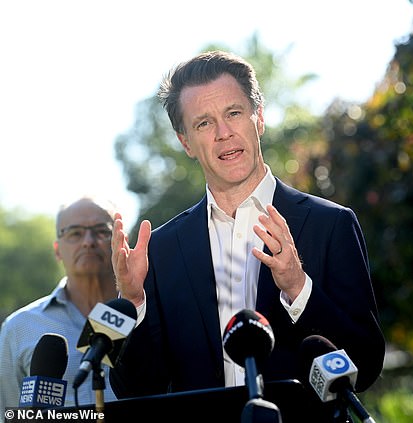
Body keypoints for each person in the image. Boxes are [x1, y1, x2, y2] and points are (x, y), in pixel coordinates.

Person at [109, 50, 385, 418]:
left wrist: (298, 287)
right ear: (186, 142)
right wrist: (133, 302)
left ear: (260, 118)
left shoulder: (330, 225)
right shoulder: (160, 250)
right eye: (204, 123)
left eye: (234, 113)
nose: (224, 133)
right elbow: (136, 390)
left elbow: (364, 366)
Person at [0, 196, 119, 417]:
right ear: (57, 249)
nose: (88, 241)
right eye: (75, 233)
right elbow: (8, 416)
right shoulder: (19, 327)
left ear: (120, 241)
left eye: (101, 231)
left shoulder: (149, 313)